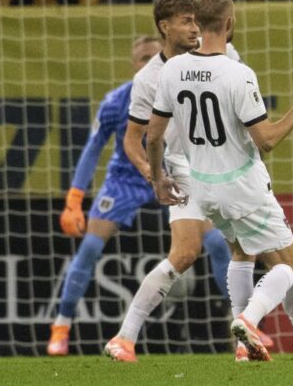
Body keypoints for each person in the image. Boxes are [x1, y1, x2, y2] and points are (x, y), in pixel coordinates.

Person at [103, 0, 293, 362]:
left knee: (241, 253)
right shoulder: (216, 72)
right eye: (184, 20)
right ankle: (242, 322)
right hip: (215, 174)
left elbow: (156, 133)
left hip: (202, 177)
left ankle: (263, 345)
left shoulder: (182, 68)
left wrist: (157, 177)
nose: (191, 27)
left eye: (194, 19)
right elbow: (265, 139)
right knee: (280, 262)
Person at [47, 35, 232, 356]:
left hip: (173, 174)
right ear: (134, 65)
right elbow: (93, 150)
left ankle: (239, 317)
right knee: (90, 246)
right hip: (125, 178)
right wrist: (74, 199)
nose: (147, 63)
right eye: (141, 58)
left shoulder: (184, 91)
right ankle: (61, 326)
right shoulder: (117, 101)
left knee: (216, 241)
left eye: (152, 56)